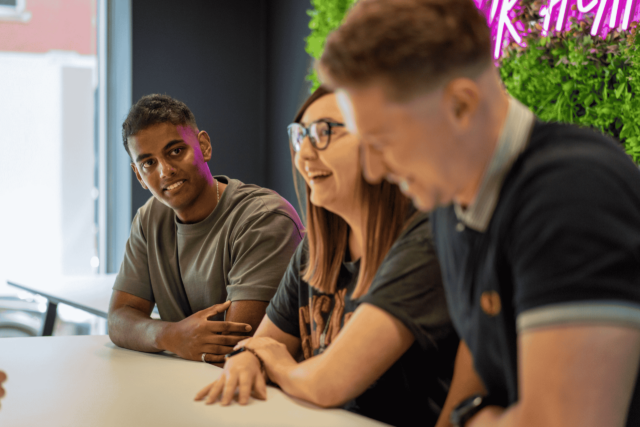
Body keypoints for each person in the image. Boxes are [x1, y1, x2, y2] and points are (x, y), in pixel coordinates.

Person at [318, 1, 640, 426]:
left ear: (461, 105)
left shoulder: (572, 194)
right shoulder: (449, 203)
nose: (374, 170)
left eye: (382, 141)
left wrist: (471, 418)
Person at [194, 86, 460, 427]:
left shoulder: (426, 240)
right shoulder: (317, 247)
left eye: (324, 132)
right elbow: (262, 343)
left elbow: (327, 385)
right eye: (300, 135)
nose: (303, 154)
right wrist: (247, 359)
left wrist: (276, 363)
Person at [108, 94, 304, 364]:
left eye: (176, 151)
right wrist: (172, 335)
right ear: (139, 175)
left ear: (204, 146)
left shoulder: (263, 218)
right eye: (148, 163)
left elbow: (237, 346)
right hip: (188, 385)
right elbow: (118, 319)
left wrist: (161, 335)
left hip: (260, 394)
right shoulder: (149, 218)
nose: (165, 171)